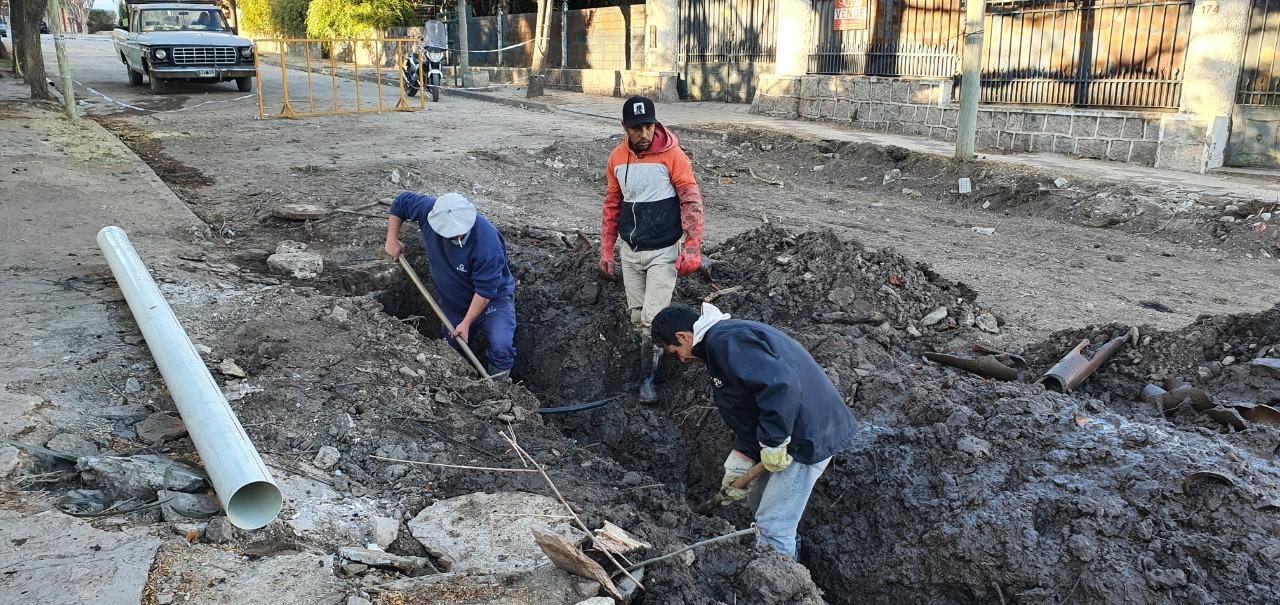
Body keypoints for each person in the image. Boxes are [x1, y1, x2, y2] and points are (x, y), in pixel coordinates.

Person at [650, 303, 858, 559]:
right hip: (795, 429)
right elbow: (751, 406)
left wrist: (773, 442)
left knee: (772, 526)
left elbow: (781, 386)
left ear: (683, 336)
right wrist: (743, 455)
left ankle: (783, 587)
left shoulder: (727, 341)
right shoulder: (723, 341)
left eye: (676, 351)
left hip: (805, 436)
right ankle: (786, 558)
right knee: (758, 502)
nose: (681, 359)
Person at [599, 95, 704, 403]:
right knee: (636, 317)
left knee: (652, 317)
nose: (643, 134)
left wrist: (692, 247)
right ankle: (650, 361)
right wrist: (607, 251)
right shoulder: (617, 159)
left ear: (656, 124)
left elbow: (691, 201)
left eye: (648, 127)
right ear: (625, 128)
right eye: (636, 129)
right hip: (630, 250)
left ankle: (649, 380)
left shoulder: (674, 156)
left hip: (663, 251)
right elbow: (612, 206)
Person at [384, 192, 517, 379]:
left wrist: (467, 323)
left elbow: (485, 292)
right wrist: (392, 239)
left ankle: (500, 389)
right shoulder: (432, 211)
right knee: (450, 349)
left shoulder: (487, 245)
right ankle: (458, 383)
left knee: (501, 345)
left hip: (493, 300)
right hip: (453, 303)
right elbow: (401, 203)